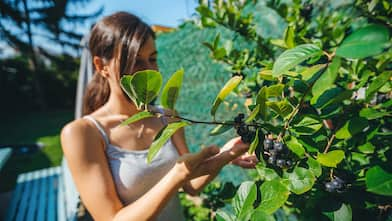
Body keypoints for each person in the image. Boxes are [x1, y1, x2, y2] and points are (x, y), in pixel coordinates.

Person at [61, 11, 257, 221]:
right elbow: (111, 218)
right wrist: (177, 174)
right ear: (101, 66)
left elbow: (191, 186)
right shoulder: (83, 133)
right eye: (136, 62)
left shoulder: (167, 117)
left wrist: (228, 154)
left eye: (152, 59)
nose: (149, 70)